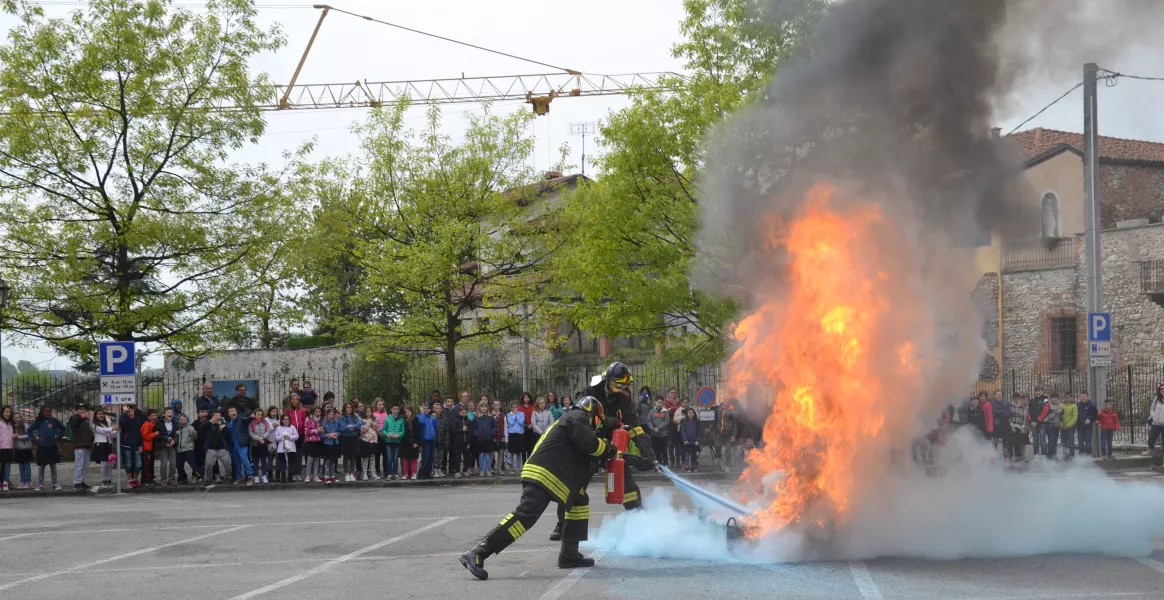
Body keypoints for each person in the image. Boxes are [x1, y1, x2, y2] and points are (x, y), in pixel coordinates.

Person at [459, 397, 618, 580]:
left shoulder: (570, 418)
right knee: (526, 515)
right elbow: (590, 444)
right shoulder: (577, 416)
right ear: (592, 414)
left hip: (552, 474)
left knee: (579, 501)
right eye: (597, 420)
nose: (596, 425)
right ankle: (478, 552)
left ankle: (569, 554)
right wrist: (609, 449)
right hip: (543, 473)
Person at [582, 362, 658, 512]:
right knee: (577, 484)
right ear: (608, 381)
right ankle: (562, 525)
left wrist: (646, 448)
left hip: (610, 447)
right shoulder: (590, 392)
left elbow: (633, 425)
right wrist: (611, 422)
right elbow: (583, 418)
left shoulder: (624, 400)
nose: (621, 390)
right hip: (587, 444)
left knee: (626, 482)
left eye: (624, 387)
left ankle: (637, 515)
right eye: (618, 386)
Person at [200, 409, 233, 483]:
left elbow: (229, 435)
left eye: (219, 415)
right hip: (211, 448)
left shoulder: (224, 424)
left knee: (228, 463)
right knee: (208, 465)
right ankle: (208, 480)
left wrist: (225, 427)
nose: (218, 417)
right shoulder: (208, 424)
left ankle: (228, 478)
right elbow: (201, 427)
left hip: (222, 448)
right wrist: (210, 422)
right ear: (212, 417)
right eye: (216, 416)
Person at [226, 405, 255, 486]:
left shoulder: (241, 418)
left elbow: (246, 420)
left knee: (244, 459)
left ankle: (249, 476)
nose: (233, 412)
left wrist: (251, 417)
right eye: (231, 411)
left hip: (242, 443)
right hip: (234, 445)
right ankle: (239, 477)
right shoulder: (229, 422)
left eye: (234, 411)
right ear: (228, 414)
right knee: (237, 461)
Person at [68, 404, 94, 490]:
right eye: (81, 409)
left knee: (86, 465)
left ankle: (83, 481)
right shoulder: (74, 418)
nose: (83, 410)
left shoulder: (86, 419)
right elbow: (74, 425)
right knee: (79, 464)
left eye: (84, 409)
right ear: (77, 410)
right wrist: (81, 418)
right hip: (79, 444)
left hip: (87, 444)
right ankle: (77, 482)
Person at [118, 405, 145, 488]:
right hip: (126, 445)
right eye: (128, 412)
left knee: (138, 464)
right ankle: (130, 481)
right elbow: (120, 421)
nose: (130, 413)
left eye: (131, 411)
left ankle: (135, 480)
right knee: (128, 464)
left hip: (137, 445)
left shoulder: (138, 420)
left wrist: (140, 445)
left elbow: (140, 434)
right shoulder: (124, 420)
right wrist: (124, 412)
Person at [284, 394, 307, 482]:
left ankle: (298, 473)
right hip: (291, 436)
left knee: (299, 455)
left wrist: (305, 434)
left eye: (297, 399)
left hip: (300, 435)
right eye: (293, 399)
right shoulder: (287, 411)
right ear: (290, 401)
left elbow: (305, 421)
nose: (295, 401)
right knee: (292, 455)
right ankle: (292, 473)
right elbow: (285, 422)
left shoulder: (302, 410)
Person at [91, 408, 116, 487]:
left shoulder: (106, 424)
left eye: (102, 414)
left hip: (108, 444)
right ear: (96, 416)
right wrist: (113, 428)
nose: (101, 415)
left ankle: (109, 480)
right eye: (99, 414)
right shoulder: (94, 424)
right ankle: (104, 480)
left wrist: (116, 430)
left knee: (109, 463)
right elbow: (102, 430)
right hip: (100, 444)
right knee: (104, 464)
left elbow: (111, 432)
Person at [338, 402, 362, 482]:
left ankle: (352, 473)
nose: (349, 409)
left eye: (350, 408)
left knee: (353, 457)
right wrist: (352, 427)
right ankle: (346, 473)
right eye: (347, 407)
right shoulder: (342, 418)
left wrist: (350, 426)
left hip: (354, 438)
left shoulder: (355, 417)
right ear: (345, 409)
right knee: (346, 457)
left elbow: (359, 426)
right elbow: (343, 428)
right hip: (346, 438)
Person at [249, 408, 273, 484]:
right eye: (258, 414)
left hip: (263, 444)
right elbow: (250, 433)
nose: (259, 416)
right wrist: (258, 438)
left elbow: (268, 431)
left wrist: (262, 437)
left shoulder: (265, 422)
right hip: (255, 444)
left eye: (261, 414)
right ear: (255, 415)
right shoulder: (251, 423)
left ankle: (264, 476)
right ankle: (255, 476)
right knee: (255, 461)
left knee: (264, 461)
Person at [381, 404, 404, 480]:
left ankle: (396, 473)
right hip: (389, 441)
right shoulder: (387, 419)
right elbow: (383, 430)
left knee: (395, 458)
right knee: (389, 458)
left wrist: (399, 435)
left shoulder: (401, 419)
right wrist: (387, 434)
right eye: (394, 409)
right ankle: (390, 474)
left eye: (397, 409)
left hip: (397, 441)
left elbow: (403, 430)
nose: (396, 410)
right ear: (391, 410)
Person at [474, 400, 497, 477]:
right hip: (480, 440)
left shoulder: (491, 417)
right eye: (482, 407)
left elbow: (495, 426)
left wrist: (492, 432)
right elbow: (473, 428)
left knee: (487, 455)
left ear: (487, 408)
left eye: (485, 407)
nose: (483, 408)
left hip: (488, 439)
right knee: (481, 455)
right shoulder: (476, 418)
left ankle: (487, 469)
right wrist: (476, 434)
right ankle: (481, 470)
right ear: (479, 408)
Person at [416, 404, 439, 479]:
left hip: (432, 438)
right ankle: (421, 474)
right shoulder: (419, 416)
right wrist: (422, 413)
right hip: (425, 439)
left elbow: (436, 426)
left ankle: (428, 473)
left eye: (427, 409)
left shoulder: (431, 417)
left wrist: (435, 418)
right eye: (424, 409)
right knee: (426, 457)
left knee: (431, 457)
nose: (426, 410)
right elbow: (421, 422)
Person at [449, 405, 472, 478]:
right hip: (458, 442)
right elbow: (453, 431)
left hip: (466, 442)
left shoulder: (468, 420)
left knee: (467, 457)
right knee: (457, 457)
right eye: (463, 412)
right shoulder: (455, 420)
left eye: (465, 413)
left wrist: (467, 430)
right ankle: (457, 471)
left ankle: (465, 470)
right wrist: (461, 430)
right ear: (459, 412)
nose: (464, 414)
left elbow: (471, 431)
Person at [274, 414, 299, 483]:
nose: (287, 421)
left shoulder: (292, 427)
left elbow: (296, 436)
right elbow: (276, 438)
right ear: (282, 420)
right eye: (285, 419)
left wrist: (289, 437)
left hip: (291, 448)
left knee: (291, 462)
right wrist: (282, 436)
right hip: (281, 449)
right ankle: (283, 477)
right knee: (282, 463)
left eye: (288, 419)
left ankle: (290, 477)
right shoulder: (279, 428)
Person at [1027, 386, 1050, 461]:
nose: (1037, 392)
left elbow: (1045, 412)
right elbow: (1028, 411)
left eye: (1039, 390)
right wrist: (1031, 421)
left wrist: (1037, 421)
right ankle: (1036, 454)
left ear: (1042, 391)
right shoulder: (1032, 400)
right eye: (1036, 390)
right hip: (1033, 423)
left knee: (1042, 439)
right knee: (1035, 440)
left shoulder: (1045, 400)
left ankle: (1043, 454)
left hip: (1042, 423)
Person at [320, 407, 342, 484]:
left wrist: (336, 434)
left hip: (335, 442)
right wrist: (328, 435)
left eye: (333, 414)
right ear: (327, 414)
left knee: (334, 460)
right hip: (327, 443)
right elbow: (321, 435)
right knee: (328, 460)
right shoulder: (324, 423)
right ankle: (326, 475)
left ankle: (333, 475)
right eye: (330, 414)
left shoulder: (337, 422)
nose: (331, 416)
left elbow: (340, 431)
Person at [157, 405, 178, 486]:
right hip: (163, 445)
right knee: (164, 463)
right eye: (168, 412)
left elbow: (176, 434)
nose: (170, 414)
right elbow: (157, 435)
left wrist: (174, 441)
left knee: (173, 463)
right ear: (163, 414)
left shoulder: (175, 423)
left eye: (172, 412)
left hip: (171, 446)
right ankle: (163, 479)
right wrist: (166, 437)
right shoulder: (159, 423)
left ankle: (171, 479)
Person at [139, 408, 160, 488]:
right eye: (152, 415)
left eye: (155, 415)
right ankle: (146, 480)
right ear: (148, 417)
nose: (155, 417)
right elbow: (145, 436)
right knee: (146, 465)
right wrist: (155, 434)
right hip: (146, 447)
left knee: (150, 464)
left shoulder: (153, 424)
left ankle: (150, 479)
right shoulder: (146, 424)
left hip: (151, 447)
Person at [174, 413, 197, 484]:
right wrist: (176, 434)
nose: (183, 421)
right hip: (179, 450)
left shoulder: (190, 428)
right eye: (181, 420)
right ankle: (183, 478)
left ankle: (197, 476)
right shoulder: (177, 429)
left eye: (185, 420)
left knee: (192, 463)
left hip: (188, 448)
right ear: (178, 420)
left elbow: (195, 438)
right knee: (178, 465)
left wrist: (193, 433)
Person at [1005, 395, 1029, 463]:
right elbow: (1009, 416)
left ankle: (1018, 457)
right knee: (1010, 442)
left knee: (1017, 443)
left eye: (1018, 399)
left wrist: (1023, 427)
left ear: (1020, 399)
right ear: (1013, 399)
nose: (1016, 400)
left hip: (1019, 427)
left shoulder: (1022, 407)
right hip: (1011, 426)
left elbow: (1024, 418)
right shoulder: (1010, 406)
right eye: (1015, 399)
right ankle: (1009, 457)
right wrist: (1011, 426)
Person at [647, 397, 670, 466]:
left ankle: (665, 464)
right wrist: (653, 429)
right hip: (654, 434)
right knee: (656, 450)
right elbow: (649, 421)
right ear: (655, 402)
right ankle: (658, 464)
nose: (660, 404)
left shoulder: (665, 411)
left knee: (664, 450)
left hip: (663, 434)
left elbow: (667, 421)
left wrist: (659, 428)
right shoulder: (651, 411)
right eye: (658, 402)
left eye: (661, 402)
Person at [12, 411, 32, 489]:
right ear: (13, 419)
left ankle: (28, 482)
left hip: (25, 448)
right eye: (15, 417)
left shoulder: (25, 425)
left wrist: (18, 437)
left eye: (19, 417)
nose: (17, 419)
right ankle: (22, 481)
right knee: (21, 466)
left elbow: (29, 435)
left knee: (27, 465)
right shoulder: (13, 426)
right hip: (18, 448)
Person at [304, 406, 324, 483]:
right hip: (310, 442)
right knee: (310, 459)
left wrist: (322, 430)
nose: (318, 413)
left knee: (317, 458)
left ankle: (315, 475)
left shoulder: (321, 421)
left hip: (318, 441)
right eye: (316, 412)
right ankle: (308, 475)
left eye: (319, 412)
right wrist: (316, 430)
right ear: (312, 412)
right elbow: (306, 432)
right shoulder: (308, 420)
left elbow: (323, 429)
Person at [717, 400, 739, 471]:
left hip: (729, 435)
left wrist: (734, 435)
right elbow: (714, 420)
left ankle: (728, 465)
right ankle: (719, 460)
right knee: (717, 446)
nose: (726, 402)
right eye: (724, 401)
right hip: (720, 434)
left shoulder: (732, 411)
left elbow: (735, 424)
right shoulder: (718, 410)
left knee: (728, 450)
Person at [505, 402, 526, 473]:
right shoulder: (509, 415)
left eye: (516, 407)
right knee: (511, 452)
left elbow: (521, 422)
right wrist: (514, 415)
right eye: (513, 407)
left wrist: (517, 415)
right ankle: (512, 468)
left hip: (520, 435)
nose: (515, 409)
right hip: (512, 435)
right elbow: (511, 423)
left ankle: (519, 468)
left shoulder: (522, 414)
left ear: (518, 407)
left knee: (518, 453)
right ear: (511, 408)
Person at [400, 406, 419, 480]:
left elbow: (418, 432)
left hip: (413, 442)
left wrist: (416, 442)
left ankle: (414, 473)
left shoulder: (415, 419)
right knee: (405, 459)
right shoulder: (403, 420)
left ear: (412, 412)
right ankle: (405, 473)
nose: (407, 413)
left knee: (413, 458)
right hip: (404, 443)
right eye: (406, 412)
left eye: (409, 412)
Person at [191, 407, 210, 483]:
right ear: (198, 414)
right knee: (198, 461)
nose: (204, 414)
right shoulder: (195, 423)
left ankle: (210, 476)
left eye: (205, 412)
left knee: (209, 461)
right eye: (202, 412)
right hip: (198, 445)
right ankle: (195, 475)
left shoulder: (210, 421)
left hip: (208, 444)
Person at [360, 410, 380, 480]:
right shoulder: (362, 421)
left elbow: (378, 431)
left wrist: (374, 424)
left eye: (370, 412)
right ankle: (365, 473)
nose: (369, 413)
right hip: (365, 441)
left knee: (372, 458)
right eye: (367, 411)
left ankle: (373, 473)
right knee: (365, 458)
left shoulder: (374, 421)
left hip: (373, 441)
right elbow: (362, 432)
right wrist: (368, 423)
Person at [680, 407, 701, 471]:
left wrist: (697, 440)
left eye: (692, 413)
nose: (691, 414)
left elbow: (699, 431)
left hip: (694, 441)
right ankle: (687, 466)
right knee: (687, 454)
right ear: (687, 414)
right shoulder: (684, 422)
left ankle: (693, 466)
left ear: (694, 414)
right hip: (687, 441)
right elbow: (683, 431)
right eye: (689, 413)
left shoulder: (697, 422)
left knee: (693, 454)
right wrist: (685, 439)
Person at [1077, 391, 1098, 457]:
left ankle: (1088, 457)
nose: (1083, 397)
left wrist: (1090, 419)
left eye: (1084, 396)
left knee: (1088, 443)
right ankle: (1081, 457)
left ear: (1087, 397)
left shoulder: (1091, 405)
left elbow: (1095, 415)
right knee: (1080, 443)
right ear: (1079, 397)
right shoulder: (1077, 405)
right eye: (1081, 396)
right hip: (1079, 427)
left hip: (1088, 427)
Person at [371, 398, 388, 479]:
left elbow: (387, 424)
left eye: (382, 405)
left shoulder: (385, 414)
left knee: (385, 454)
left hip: (384, 436)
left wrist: (384, 433)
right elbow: (373, 425)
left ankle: (386, 471)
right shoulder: (373, 414)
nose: (381, 406)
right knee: (377, 454)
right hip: (376, 436)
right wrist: (379, 433)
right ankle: (377, 470)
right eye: (379, 405)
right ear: (376, 405)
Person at [432, 401, 449, 478]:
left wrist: (446, 440)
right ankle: (434, 469)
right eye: (436, 408)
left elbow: (446, 430)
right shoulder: (431, 417)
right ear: (433, 409)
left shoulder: (444, 418)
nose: (438, 409)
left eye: (439, 408)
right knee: (435, 456)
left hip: (442, 440)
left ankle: (439, 469)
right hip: (434, 440)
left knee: (441, 456)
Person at [1044, 393, 1063, 460]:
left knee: (1055, 441)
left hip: (1057, 426)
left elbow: (1061, 417)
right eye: (1053, 398)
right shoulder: (1048, 406)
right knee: (1051, 441)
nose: (1054, 399)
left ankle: (1054, 455)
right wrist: (1056, 412)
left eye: (1056, 398)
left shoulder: (1060, 406)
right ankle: (1049, 455)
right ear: (1050, 399)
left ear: (1058, 399)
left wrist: (1062, 414)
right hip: (1050, 426)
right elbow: (1048, 417)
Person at [1059, 394, 1078, 459]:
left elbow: (1074, 417)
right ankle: (1065, 455)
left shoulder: (1074, 406)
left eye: (1068, 397)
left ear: (1071, 398)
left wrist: (1068, 425)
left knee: (1070, 441)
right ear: (1063, 398)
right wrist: (1061, 425)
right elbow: (1059, 417)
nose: (1067, 398)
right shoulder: (1061, 406)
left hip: (1071, 427)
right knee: (1063, 442)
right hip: (1063, 427)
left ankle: (1071, 455)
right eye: (1065, 397)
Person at [0, 405, 13, 491]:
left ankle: (5, 482)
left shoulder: (11, 423)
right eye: (6, 412)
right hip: (1, 448)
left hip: (9, 448)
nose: (8, 413)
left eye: (9, 412)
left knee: (7, 465)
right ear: (2, 412)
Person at [1148, 384, 1164, 455]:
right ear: (1159, 390)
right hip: (1156, 423)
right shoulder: (1156, 399)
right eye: (1161, 389)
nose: (1162, 390)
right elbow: (1152, 409)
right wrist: (1153, 416)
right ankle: (1150, 451)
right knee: (1151, 440)